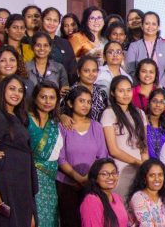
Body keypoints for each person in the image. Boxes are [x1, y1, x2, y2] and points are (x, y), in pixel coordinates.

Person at [0, 75, 36, 227]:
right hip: (7, 181)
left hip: (22, 180)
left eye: (20, 90)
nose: (16, 93)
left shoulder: (19, 116)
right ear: (3, 90)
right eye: (12, 89)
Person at [57, 86, 109, 227]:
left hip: (92, 184)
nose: (86, 105)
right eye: (81, 101)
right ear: (70, 103)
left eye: (89, 102)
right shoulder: (62, 126)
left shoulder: (96, 127)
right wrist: (78, 178)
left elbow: (102, 156)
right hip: (66, 185)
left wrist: (88, 178)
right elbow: (60, 158)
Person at [101, 75, 149, 201]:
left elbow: (143, 145)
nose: (126, 94)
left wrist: (145, 165)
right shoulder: (108, 113)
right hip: (120, 170)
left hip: (140, 170)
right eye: (121, 91)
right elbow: (113, 150)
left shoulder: (140, 113)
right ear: (113, 93)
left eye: (128, 90)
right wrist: (138, 162)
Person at [27, 81, 62, 227]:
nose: (47, 101)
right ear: (35, 98)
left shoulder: (56, 123)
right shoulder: (25, 120)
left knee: (49, 219)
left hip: (50, 180)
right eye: (43, 97)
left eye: (52, 98)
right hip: (28, 177)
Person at [125, 12, 165, 89]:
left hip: (162, 90)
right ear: (142, 26)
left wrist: (160, 86)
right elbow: (130, 71)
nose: (150, 27)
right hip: (139, 89)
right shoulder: (134, 46)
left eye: (154, 24)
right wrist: (143, 87)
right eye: (147, 23)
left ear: (158, 27)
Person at [79, 158, 129, 227]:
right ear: (95, 178)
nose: (111, 177)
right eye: (104, 174)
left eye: (114, 173)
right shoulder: (91, 200)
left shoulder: (117, 197)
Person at [127, 159, 165, 227]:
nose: (157, 179)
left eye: (160, 175)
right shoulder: (138, 197)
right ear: (144, 178)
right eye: (152, 175)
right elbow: (147, 225)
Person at [24, 32, 69, 97]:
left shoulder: (59, 68)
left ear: (50, 48)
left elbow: (65, 90)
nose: (42, 48)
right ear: (32, 47)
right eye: (38, 45)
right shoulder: (24, 67)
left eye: (45, 45)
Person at [41, 7, 77, 82]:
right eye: (48, 19)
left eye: (55, 20)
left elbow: (72, 68)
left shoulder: (65, 43)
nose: (51, 23)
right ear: (42, 20)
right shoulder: (34, 41)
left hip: (64, 85)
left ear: (59, 23)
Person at [145, 89, 165, 160]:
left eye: (162, 102)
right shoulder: (142, 121)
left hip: (162, 163)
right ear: (149, 103)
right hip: (144, 162)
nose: (158, 105)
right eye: (154, 101)